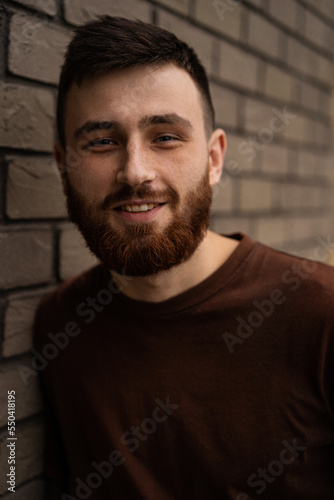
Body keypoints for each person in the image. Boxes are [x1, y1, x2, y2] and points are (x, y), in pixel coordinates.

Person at [34, 16, 334, 500]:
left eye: (166, 136)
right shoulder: (58, 325)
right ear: (63, 166)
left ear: (215, 159)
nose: (135, 172)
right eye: (101, 141)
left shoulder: (321, 313)